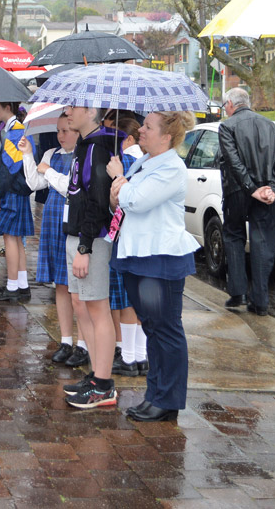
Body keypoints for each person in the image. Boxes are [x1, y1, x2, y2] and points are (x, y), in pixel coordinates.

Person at [107, 110, 200, 422]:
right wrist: (120, 187)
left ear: (167, 136)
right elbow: (120, 201)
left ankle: (168, 399)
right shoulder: (145, 161)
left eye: (148, 127)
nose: (141, 131)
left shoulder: (172, 167)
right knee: (152, 328)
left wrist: (118, 180)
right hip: (139, 254)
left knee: (165, 330)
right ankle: (155, 394)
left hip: (161, 258)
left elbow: (135, 200)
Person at [61, 105, 122, 409]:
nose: (68, 112)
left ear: (92, 111)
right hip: (77, 234)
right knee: (80, 303)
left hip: (93, 240)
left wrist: (85, 247)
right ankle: (95, 375)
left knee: (98, 308)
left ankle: (104, 383)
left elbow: (98, 202)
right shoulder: (84, 146)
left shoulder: (99, 149)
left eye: (76, 107)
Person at [20, 112, 90, 366]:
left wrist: (48, 171)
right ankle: (66, 339)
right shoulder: (51, 154)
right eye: (59, 130)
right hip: (52, 223)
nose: (61, 136)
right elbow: (34, 183)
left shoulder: (83, 156)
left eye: (66, 130)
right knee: (61, 285)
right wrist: (29, 155)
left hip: (72, 224)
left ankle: (83, 344)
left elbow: (70, 187)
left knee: (78, 289)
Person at [217, 86, 275, 315]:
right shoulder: (271, 125)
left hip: (237, 191)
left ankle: (238, 292)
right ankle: (260, 300)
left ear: (230, 104)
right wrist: (271, 188)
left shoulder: (227, 126)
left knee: (233, 236)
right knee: (263, 243)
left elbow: (233, 160)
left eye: (224, 105)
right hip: (265, 190)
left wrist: (250, 188)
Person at [0, 101, 35, 302]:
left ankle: (13, 285)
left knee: (10, 239)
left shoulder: (15, 131)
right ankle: (22, 284)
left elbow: (8, 168)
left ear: (8, 107)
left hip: (12, 191)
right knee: (15, 239)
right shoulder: (18, 128)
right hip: (19, 191)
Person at [110, 115, 145, 376]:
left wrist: (118, 177)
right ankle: (139, 355)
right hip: (134, 235)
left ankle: (132, 356)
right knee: (136, 297)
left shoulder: (131, 161)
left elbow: (129, 202)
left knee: (128, 298)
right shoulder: (142, 161)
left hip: (132, 235)